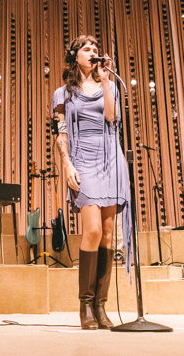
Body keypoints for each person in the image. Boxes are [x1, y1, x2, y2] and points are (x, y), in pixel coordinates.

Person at [52, 35, 131, 330]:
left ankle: (100, 305)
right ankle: (84, 304)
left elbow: (111, 117)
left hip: (110, 158)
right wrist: (67, 164)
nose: (93, 53)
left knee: (108, 234)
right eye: (87, 49)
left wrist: (106, 81)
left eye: (96, 49)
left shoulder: (109, 86)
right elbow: (61, 132)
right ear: (75, 55)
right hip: (83, 158)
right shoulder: (63, 93)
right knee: (93, 230)